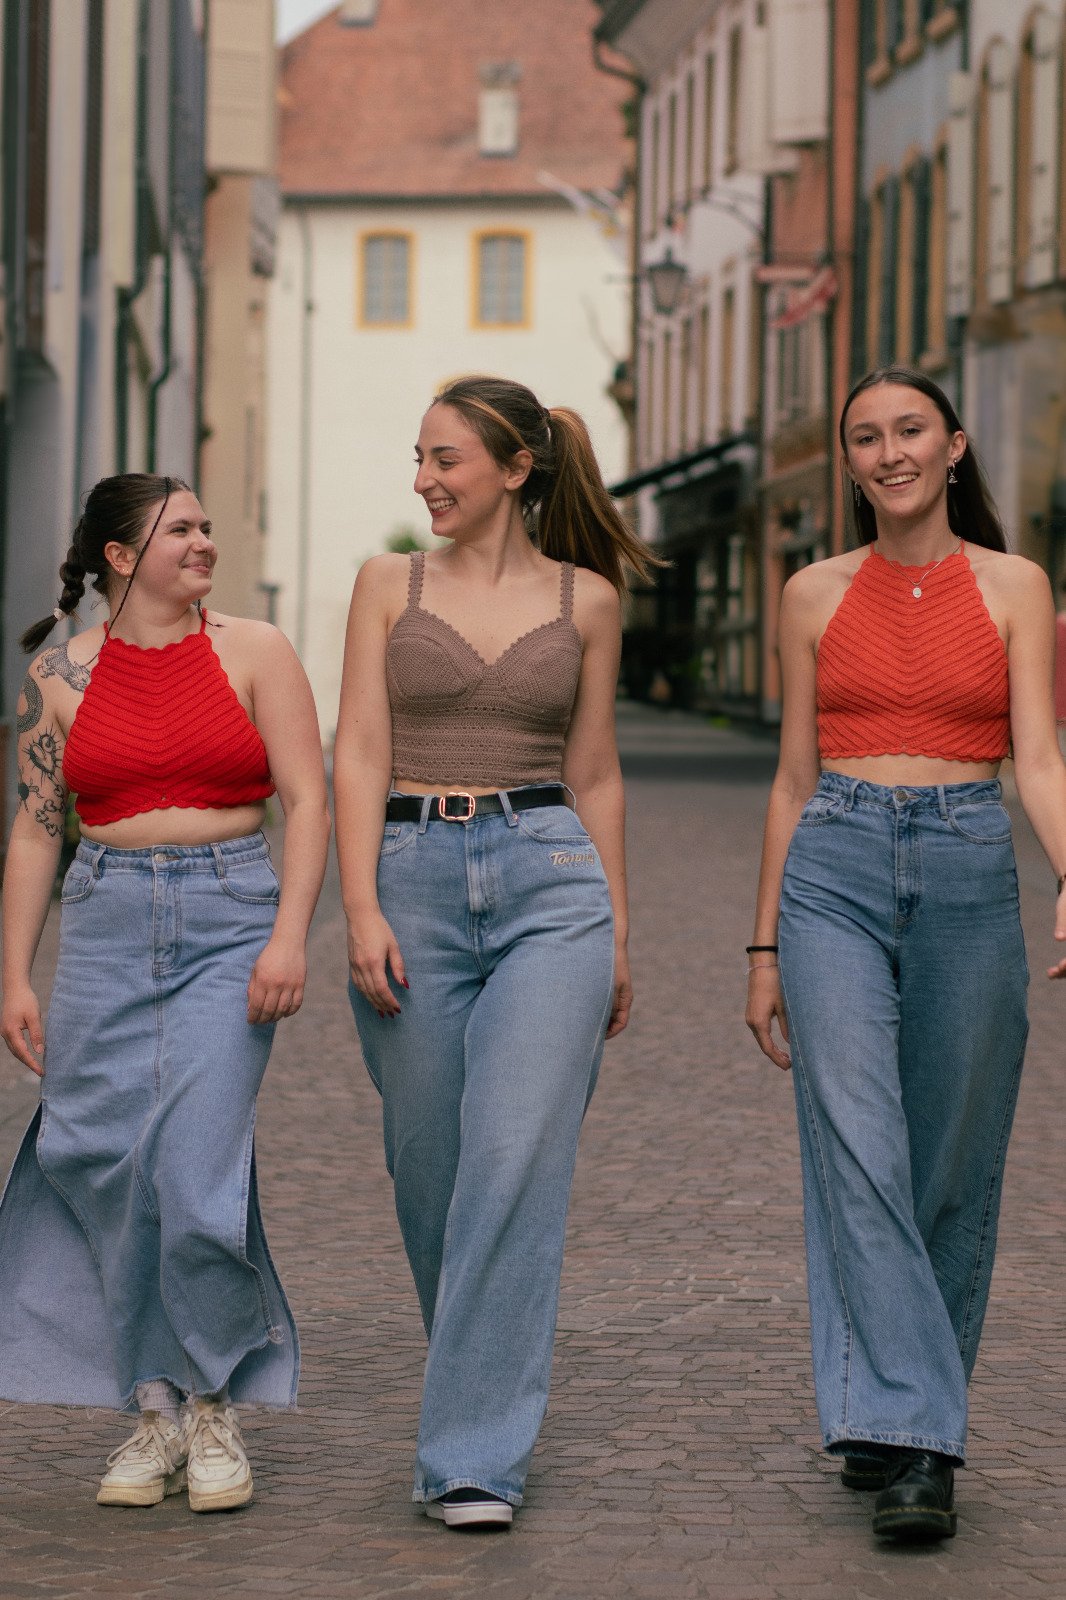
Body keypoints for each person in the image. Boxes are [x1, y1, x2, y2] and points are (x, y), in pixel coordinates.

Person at [746, 367, 1066, 1545]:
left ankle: (885, 1408)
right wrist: (764, 943)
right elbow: (788, 777)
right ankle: (923, 1438)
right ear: (851, 462)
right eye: (866, 438)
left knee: (950, 1158)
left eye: (908, 431)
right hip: (831, 861)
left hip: (971, 862)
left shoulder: (1016, 586)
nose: (888, 452)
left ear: (952, 445)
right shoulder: (810, 594)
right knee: (859, 1145)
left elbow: (1037, 756)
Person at [333, 375, 652, 1528]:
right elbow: (359, 753)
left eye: (447, 460)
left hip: (549, 883)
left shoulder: (588, 599)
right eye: (418, 457)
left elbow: (598, 771)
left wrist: (616, 928)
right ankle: (481, 1376)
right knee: (431, 1174)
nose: (424, 480)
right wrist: (358, 907)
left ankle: (472, 1454)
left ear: (515, 469)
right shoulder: (385, 585)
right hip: (411, 881)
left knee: (515, 1155)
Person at [0, 473, 330, 1512]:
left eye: (205, 525)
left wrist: (288, 936)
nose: (203, 543)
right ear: (117, 553)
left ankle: (214, 1402)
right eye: (180, 528)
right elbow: (37, 828)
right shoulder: (57, 673)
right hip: (103, 921)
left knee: (193, 1172)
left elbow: (309, 795)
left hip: (230, 918)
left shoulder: (256, 651)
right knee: (100, 1161)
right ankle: (155, 1412)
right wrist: (14, 970)